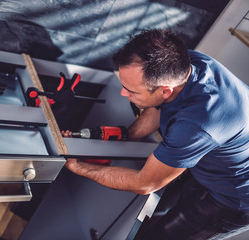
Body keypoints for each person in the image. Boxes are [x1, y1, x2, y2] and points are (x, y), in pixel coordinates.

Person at [63, 29, 249, 239]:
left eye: (132, 91)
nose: (123, 93)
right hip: (212, 167)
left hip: (232, 200)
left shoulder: (197, 125)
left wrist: (79, 167)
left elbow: (145, 184)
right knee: (152, 218)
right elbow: (159, 104)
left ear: (165, 89)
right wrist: (129, 135)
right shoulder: (187, 63)